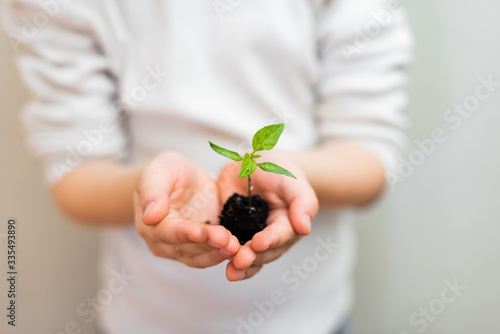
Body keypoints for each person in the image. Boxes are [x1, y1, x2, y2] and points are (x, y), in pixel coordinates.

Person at [3, 0, 412, 333]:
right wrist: (143, 192)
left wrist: (289, 172)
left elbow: (368, 155)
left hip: (310, 317)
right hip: (145, 317)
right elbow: (75, 172)